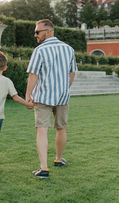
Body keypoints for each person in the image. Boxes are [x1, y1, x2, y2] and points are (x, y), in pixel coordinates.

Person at [25, 19, 77, 179]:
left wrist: (28, 95)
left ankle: (44, 168)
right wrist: (65, 88)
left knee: (42, 130)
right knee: (61, 128)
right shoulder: (68, 49)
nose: (35, 35)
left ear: (47, 32)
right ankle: (58, 159)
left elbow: (33, 75)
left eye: (37, 32)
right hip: (62, 95)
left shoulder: (39, 50)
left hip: (43, 96)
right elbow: (72, 73)